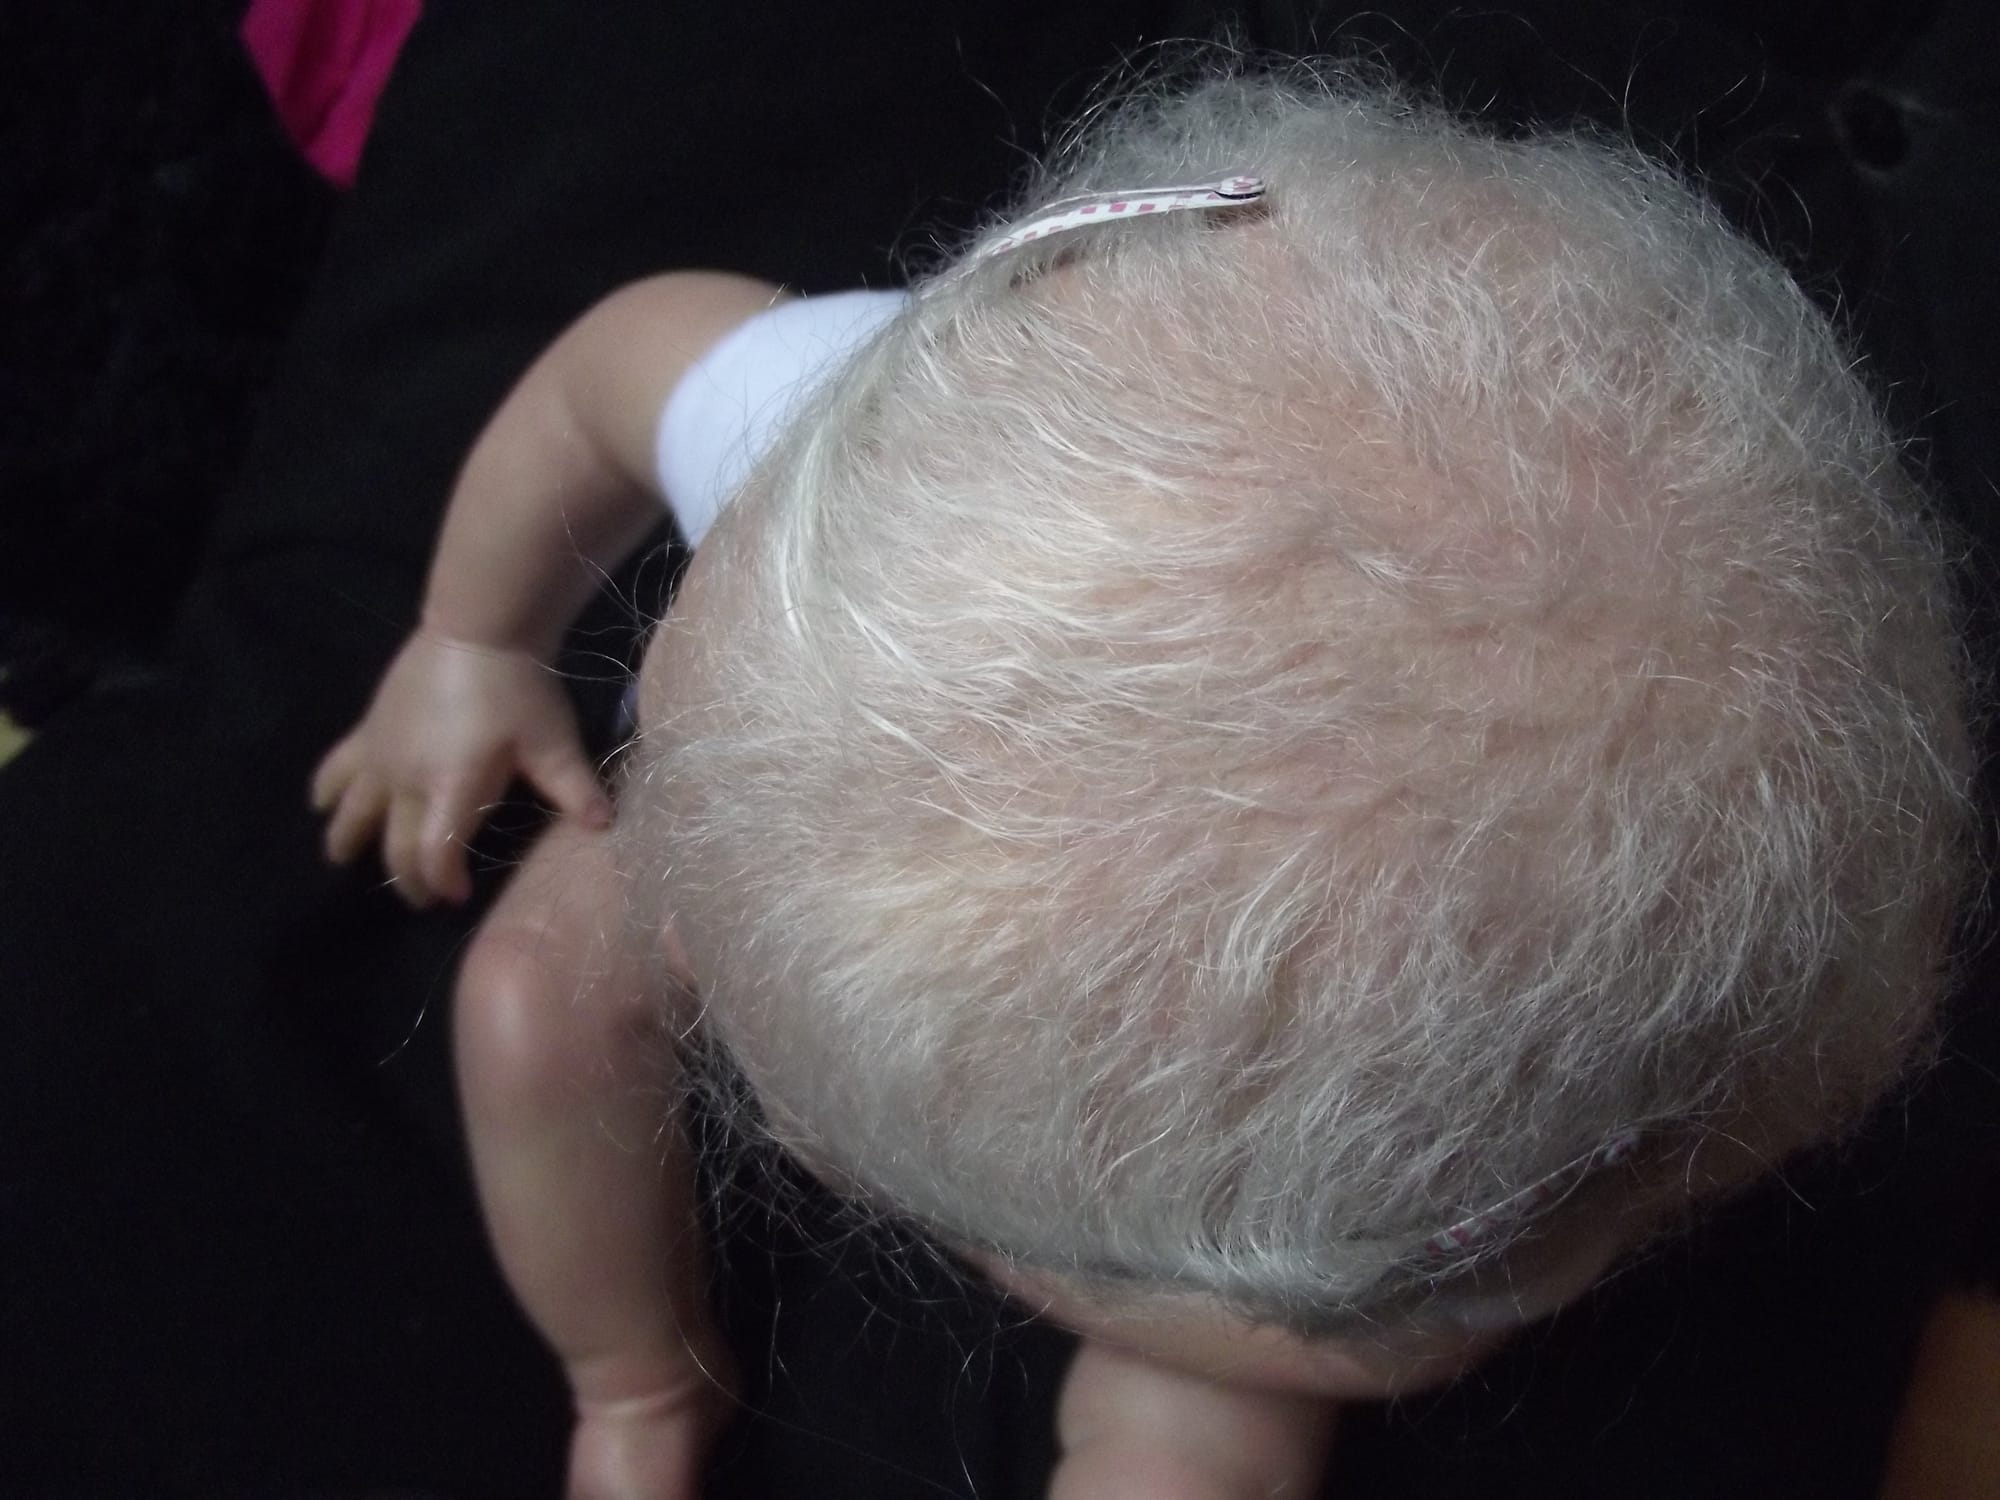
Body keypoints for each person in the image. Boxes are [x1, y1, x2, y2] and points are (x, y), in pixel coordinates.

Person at [313, 67, 1974, 1500]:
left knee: (1201, 1425)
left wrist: (1206, 1322)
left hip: (1229, 1250)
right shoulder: (817, 426)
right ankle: (633, 1378)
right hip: (897, 894)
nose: (688, 923)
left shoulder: (1473, 1226)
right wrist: (472, 638)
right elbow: (612, 371)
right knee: (529, 1009)